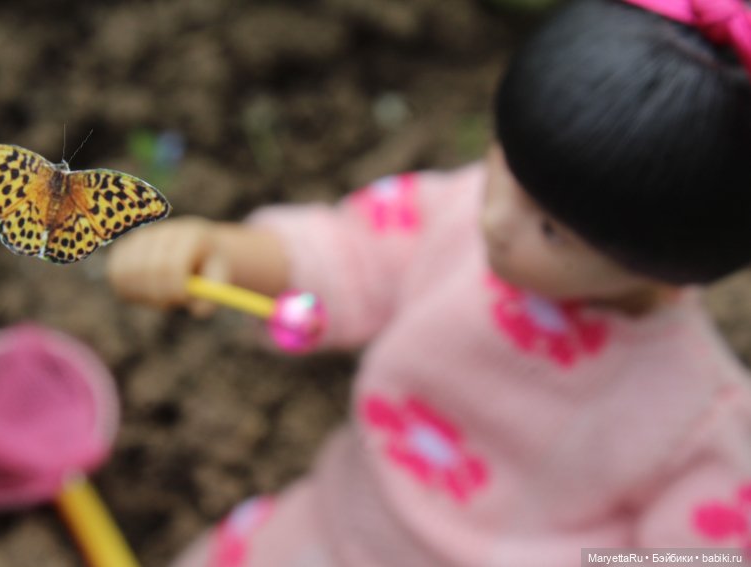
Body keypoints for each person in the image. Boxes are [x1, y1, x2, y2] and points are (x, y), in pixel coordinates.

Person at [107, 1, 751, 565]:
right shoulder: (455, 221)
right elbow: (346, 255)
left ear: (661, 263)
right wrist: (224, 254)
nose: (495, 220)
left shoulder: (696, 417)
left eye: (552, 233)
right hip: (331, 525)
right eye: (505, 161)